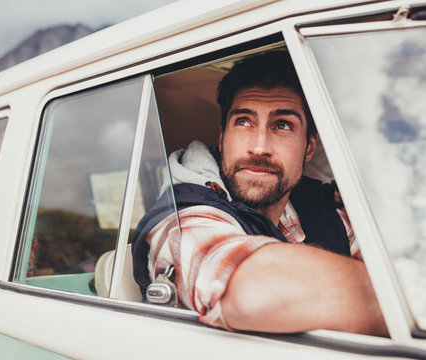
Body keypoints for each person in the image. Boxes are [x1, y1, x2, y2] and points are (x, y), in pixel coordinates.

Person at [131, 51, 388, 336]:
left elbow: (386, 260)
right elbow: (253, 292)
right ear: (222, 137)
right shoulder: (183, 217)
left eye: (282, 125)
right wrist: (405, 297)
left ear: (309, 148)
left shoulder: (323, 209)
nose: (259, 146)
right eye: (243, 121)